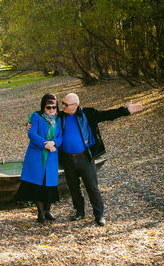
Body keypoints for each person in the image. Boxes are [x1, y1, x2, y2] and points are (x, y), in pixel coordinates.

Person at [28, 93, 143, 226]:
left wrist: (126, 110)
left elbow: (107, 115)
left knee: (92, 187)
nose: (62, 106)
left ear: (75, 105)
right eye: (62, 103)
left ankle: (99, 215)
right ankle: (79, 212)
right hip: (67, 159)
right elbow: (44, 113)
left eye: (66, 104)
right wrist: (29, 123)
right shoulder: (60, 115)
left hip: (84, 158)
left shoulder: (88, 113)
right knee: (74, 188)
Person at [15, 93, 62, 224]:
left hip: (52, 157)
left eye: (54, 107)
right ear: (43, 106)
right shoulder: (36, 117)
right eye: (49, 107)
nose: (52, 110)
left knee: (49, 185)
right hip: (37, 156)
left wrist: (54, 143)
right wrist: (45, 144)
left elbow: (60, 137)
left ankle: (48, 211)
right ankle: (40, 213)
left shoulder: (58, 119)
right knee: (38, 185)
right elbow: (32, 134)